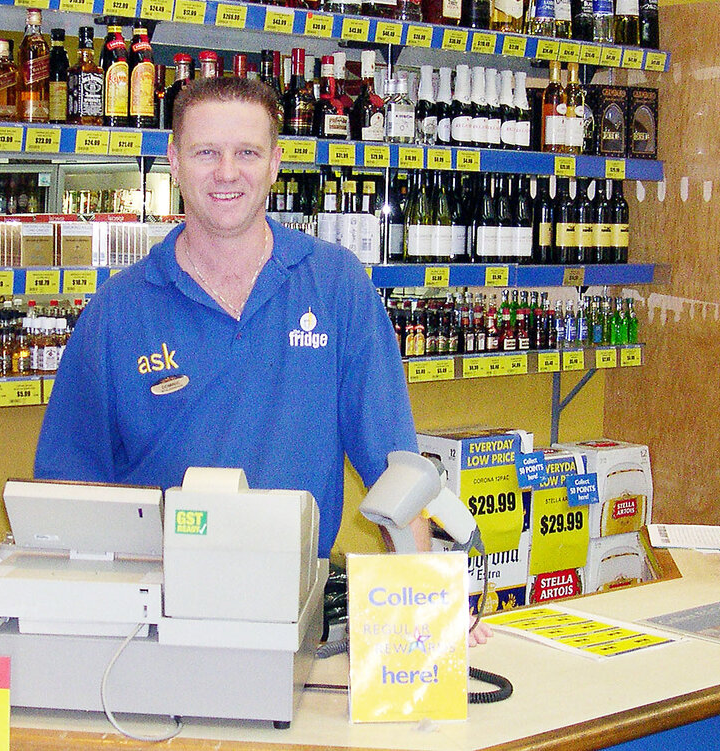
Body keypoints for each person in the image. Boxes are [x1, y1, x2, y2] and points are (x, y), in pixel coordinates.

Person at [34, 76, 491, 643]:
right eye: (206, 153)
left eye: (247, 153)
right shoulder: (117, 312)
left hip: (298, 611)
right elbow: (65, 494)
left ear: (275, 162)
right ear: (174, 162)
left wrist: (426, 608)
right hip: (155, 618)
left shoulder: (336, 285)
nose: (228, 173)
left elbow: (397, 472)